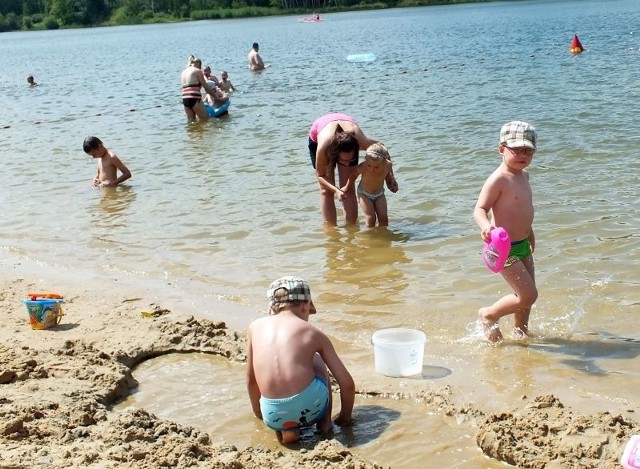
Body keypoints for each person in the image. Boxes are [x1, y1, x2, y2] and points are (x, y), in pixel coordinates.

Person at [246, 276, 355, 444]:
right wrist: (344, 418)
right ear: (306, 306)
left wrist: (260, 414)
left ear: (271, 309)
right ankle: (325, 424)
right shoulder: (313, 333)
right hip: (312, 408)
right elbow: (347, 384)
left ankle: (288, 431)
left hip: (273, 415)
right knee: (317, 361)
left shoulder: (254, 327)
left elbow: (251, 380)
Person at [473, 121, 538, 343]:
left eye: (528, 150)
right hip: (503, 248)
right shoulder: (498, 179)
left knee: (526, 298)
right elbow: (480, 209)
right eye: (516, 149)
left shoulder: (524, 176)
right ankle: (489, 314)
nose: (522, 155)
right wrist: (485, 226)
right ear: (501, 149)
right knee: (529, 295)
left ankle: (521, 333)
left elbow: (523, 208)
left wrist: (530, 231)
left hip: (522, 244)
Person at [308, 112, 398, 226]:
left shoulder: (362, 141)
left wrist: (389, 177)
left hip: (347, 126)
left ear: (357, 148)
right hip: (320, 133)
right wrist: (336, 190)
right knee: (326, 191)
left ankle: (351, 228)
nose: (346, 163)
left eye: (350, 160)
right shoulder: (323, 147)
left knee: (348, 188)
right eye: (343, 161)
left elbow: (382, 150)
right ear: (335, 154)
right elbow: (321, 177)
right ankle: (331, 230)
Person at [356, 143, 395, 228]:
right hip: (364, 193)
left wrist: (391, 182)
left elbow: (388, 175)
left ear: (384, 162)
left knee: (384, 219)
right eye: (369, 165)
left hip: (379, 194)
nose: (372, 169)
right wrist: (347, 187)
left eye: (376, 167)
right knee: (371, 218)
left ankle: (383, 237)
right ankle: (371, 238)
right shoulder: (363, 166)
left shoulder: (388, 165)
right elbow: (352, 176)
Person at [180, 55, 218, 123]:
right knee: (205, 120)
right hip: (194, 97)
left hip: (185, 98)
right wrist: (216, 97)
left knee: (191, 122)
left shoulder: (183, 72)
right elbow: (206, 87)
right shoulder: (197, 71)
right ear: (199, 65)